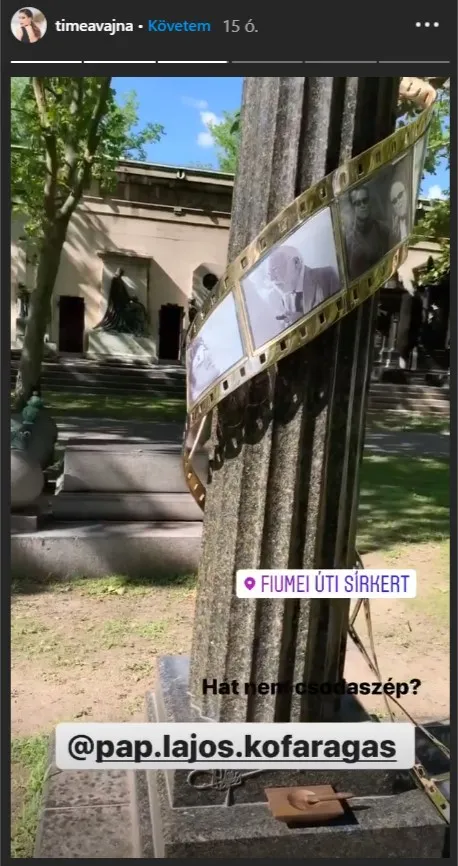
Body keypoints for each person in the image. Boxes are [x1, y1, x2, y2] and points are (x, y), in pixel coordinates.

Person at [267, 244, 340, 325]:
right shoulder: (281, 299)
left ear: (296, 263)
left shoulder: (326, 276)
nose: (272, 279)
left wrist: (304, 321)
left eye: (275, 270)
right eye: (269, 274)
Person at [345, 186, 391, 281]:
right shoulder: (347, 240)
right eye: (357, 203)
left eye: (365, 201)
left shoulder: (384, 230)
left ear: (369, 202)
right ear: (353, 208)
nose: (362, 205)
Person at [390, 180, 409, 245]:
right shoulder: (394, 230)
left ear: (406, 193)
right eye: (394, 201)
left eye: (400, 195)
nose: (398, 202)